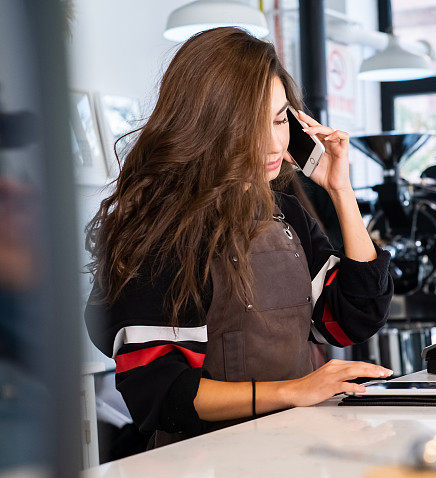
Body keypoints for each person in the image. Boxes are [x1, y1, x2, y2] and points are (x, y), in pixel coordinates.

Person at [84, 27, 393, 448]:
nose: (272, 142)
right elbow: (162, 392)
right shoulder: (164, 232)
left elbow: (352, 319)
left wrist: (341, 189)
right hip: (204, 469)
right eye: (250, 124)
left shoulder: (284, 213)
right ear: (207, 124)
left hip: (290, 449)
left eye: (280, 119)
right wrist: (293, 391)